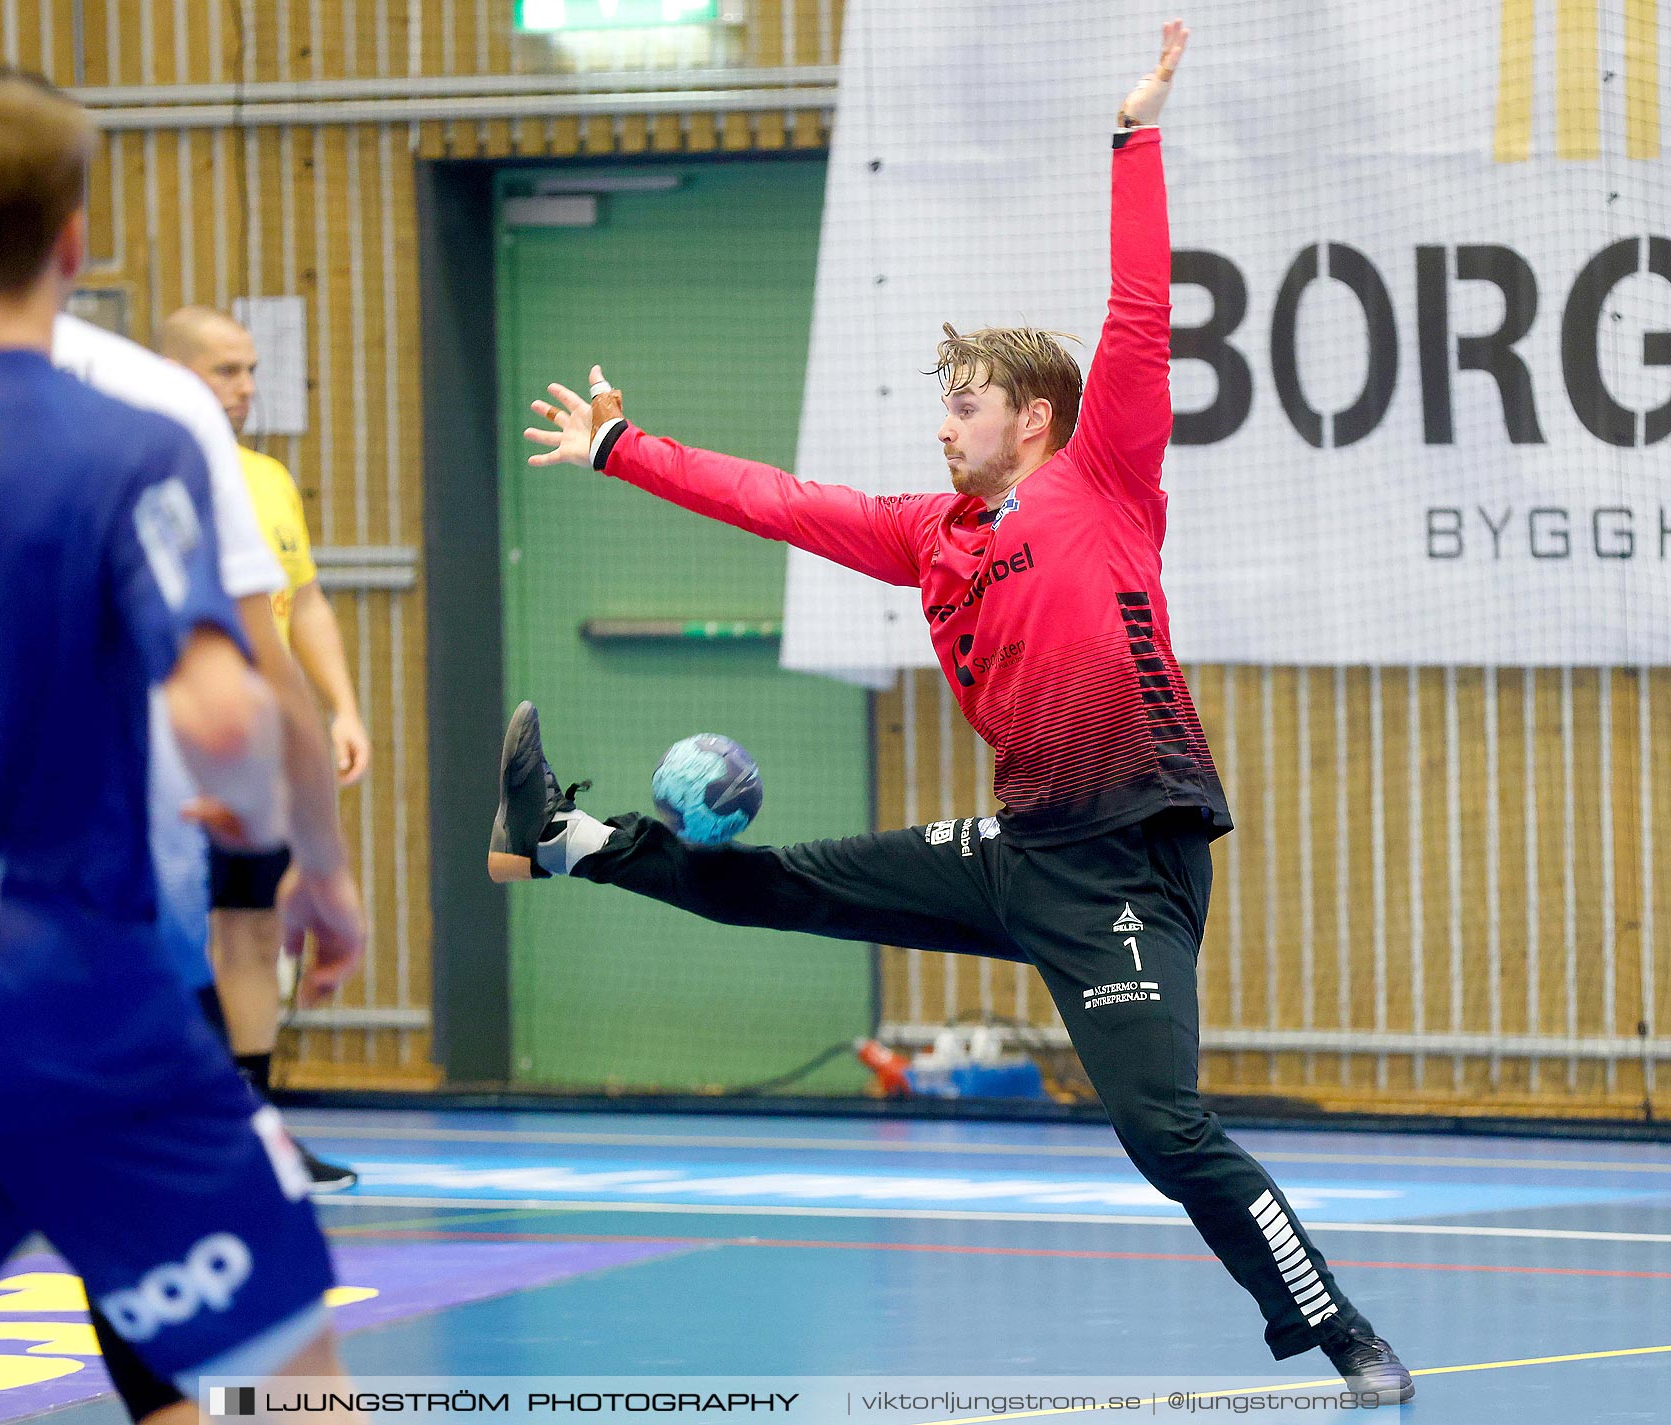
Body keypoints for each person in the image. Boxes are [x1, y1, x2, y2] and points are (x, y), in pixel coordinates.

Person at [492, 21, 1413, 1405]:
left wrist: (1135, 137)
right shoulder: (932, 531)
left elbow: (1143, 307)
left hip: (1126, 862)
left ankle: (1339, 1330)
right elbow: (781, 501)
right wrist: (627, 449)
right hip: (1020, 844)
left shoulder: (1103, 474)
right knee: (781, 885)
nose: (944, 424)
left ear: (1035, 417)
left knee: (1163, 1129)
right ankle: (568, 837)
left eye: (966, 403)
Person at [0, 69, 361, 1415]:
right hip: (76, 1004)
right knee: (287, 1377)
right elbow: (225, 713)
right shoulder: (128, 440)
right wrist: (311, 864)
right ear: (74, 241)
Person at [158, 304, 370, 1195]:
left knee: (251, 932)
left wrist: (342, 709)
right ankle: (181, 1125)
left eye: (250, 370)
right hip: (172, 756)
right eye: (225, 371)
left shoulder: (269, 480)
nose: (246, 387)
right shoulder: (153, 473)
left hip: (259, 753)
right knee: (167, 935)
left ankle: (256, 1126)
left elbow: (305, 603)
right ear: (177, 375)